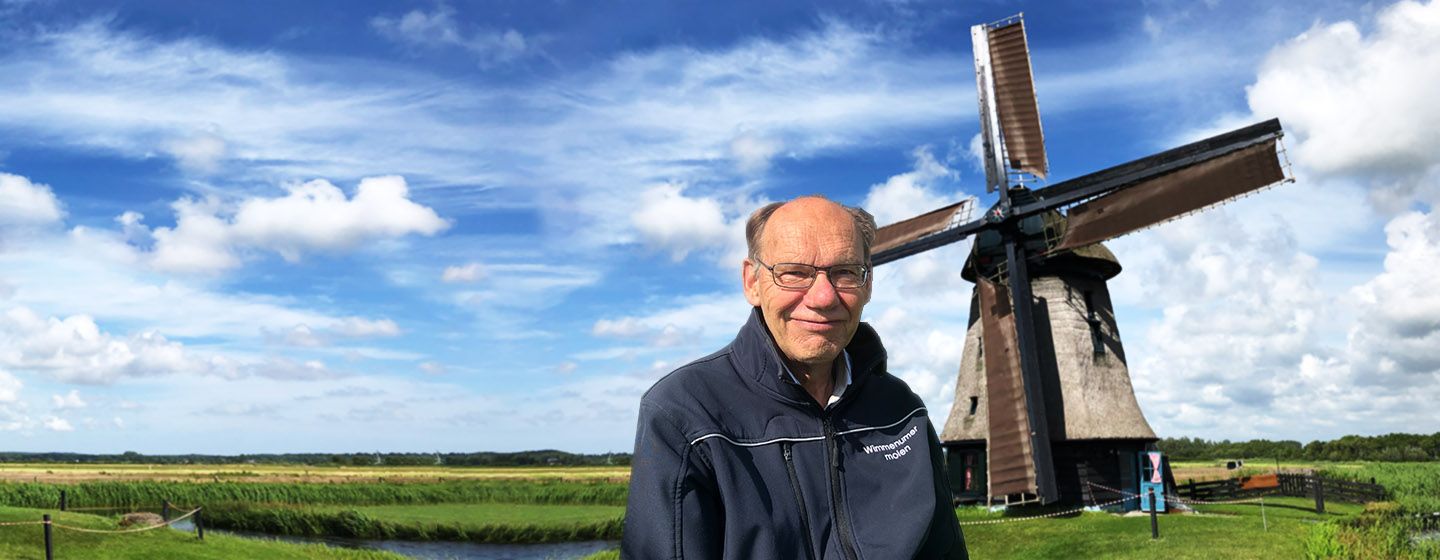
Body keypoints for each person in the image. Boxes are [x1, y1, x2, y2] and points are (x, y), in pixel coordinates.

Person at [622, 196, 967, 559]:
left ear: (868, 283)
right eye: (794, 272)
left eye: (846, 272)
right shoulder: (685, 413)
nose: (822, 296)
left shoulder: (902, 412)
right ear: (752, 282)